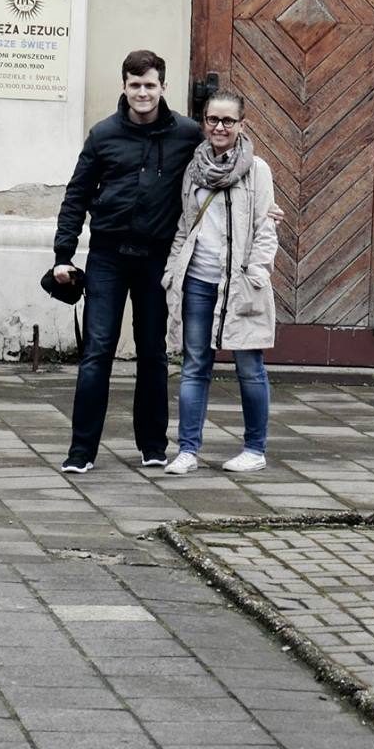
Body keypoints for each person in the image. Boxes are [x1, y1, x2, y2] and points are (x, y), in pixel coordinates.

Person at [52, 49, 203, 473]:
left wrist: (261, 203)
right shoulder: (103, 135)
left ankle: (153, 446)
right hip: (108, 257)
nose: (142, 93)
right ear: (124, 86)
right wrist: (63, 254)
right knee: (97, 352)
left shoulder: (188, 134)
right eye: (135, 85)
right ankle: (81, 452)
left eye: (150, 85)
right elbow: (76, 195)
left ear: (163, 87)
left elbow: (222, 168)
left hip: (157, 259)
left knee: (153, 353)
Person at [160, 86, 278, 474]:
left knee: (249, 366)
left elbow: (265, 228)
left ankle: (255, 450)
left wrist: (258, 272)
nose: (220, 127)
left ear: (243, 124)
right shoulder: (193, 170)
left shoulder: (257, 170)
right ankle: (187, 450)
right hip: (198, 280)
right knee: (195, 365)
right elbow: (185, 225)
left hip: (240, 283)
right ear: (204, 123)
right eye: (213, 119)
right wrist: (172, 270)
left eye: (228, 120)